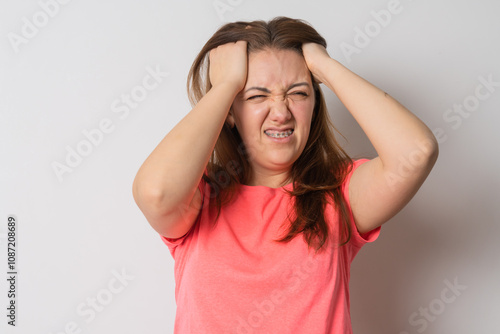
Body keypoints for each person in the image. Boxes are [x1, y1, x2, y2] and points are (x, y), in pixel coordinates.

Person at [132, 16, 438, 334]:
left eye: (298, 93)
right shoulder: (199, 198)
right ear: (229, 112)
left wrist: (324, 66)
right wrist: (225, 85)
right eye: (256, 96)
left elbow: (417, 153)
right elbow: (156, 192)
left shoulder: (340, 194)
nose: (281, 113)